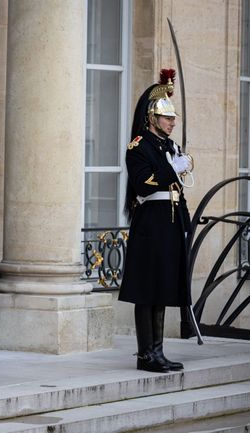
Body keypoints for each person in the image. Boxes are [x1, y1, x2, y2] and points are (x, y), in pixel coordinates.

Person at [119, 68, 193, 373]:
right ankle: (145, 355)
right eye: (166, 117)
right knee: (147, 291)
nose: (172, 122)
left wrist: (186, 224)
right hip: (150, 224)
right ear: (152, 117)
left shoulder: (169, 147)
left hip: (170, 223)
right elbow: (144, 184)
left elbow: (177, 191)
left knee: (161, 289)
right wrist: (173, 168)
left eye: (173, 118)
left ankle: (158, 352)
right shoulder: (139, 146)